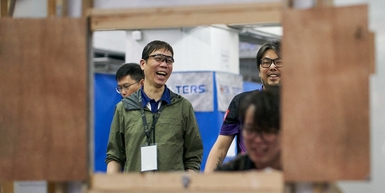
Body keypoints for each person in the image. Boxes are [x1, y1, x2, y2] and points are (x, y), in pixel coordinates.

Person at [106, 40, 203, 173]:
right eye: (158, 59)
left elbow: (193, 155)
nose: (164, 64)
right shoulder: (123, 108)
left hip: (171, 190)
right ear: (143, 64)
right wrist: (114, 191)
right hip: (136, 191)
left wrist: (185, 188)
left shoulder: (182, 106)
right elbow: (114, 156)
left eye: (168, 60)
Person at [204, 39, 282, 172]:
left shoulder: (301, 105)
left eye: (279, 62)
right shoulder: (242, 102)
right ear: (259, 70)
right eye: (266, 62)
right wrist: (207, 185)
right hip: (248, 178)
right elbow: (221, 147)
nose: (272, 67)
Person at [216, 88, 281, 171]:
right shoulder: (232, 171)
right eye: (250, 130)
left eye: (267, 131)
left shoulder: (299, 174)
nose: (258, 140)